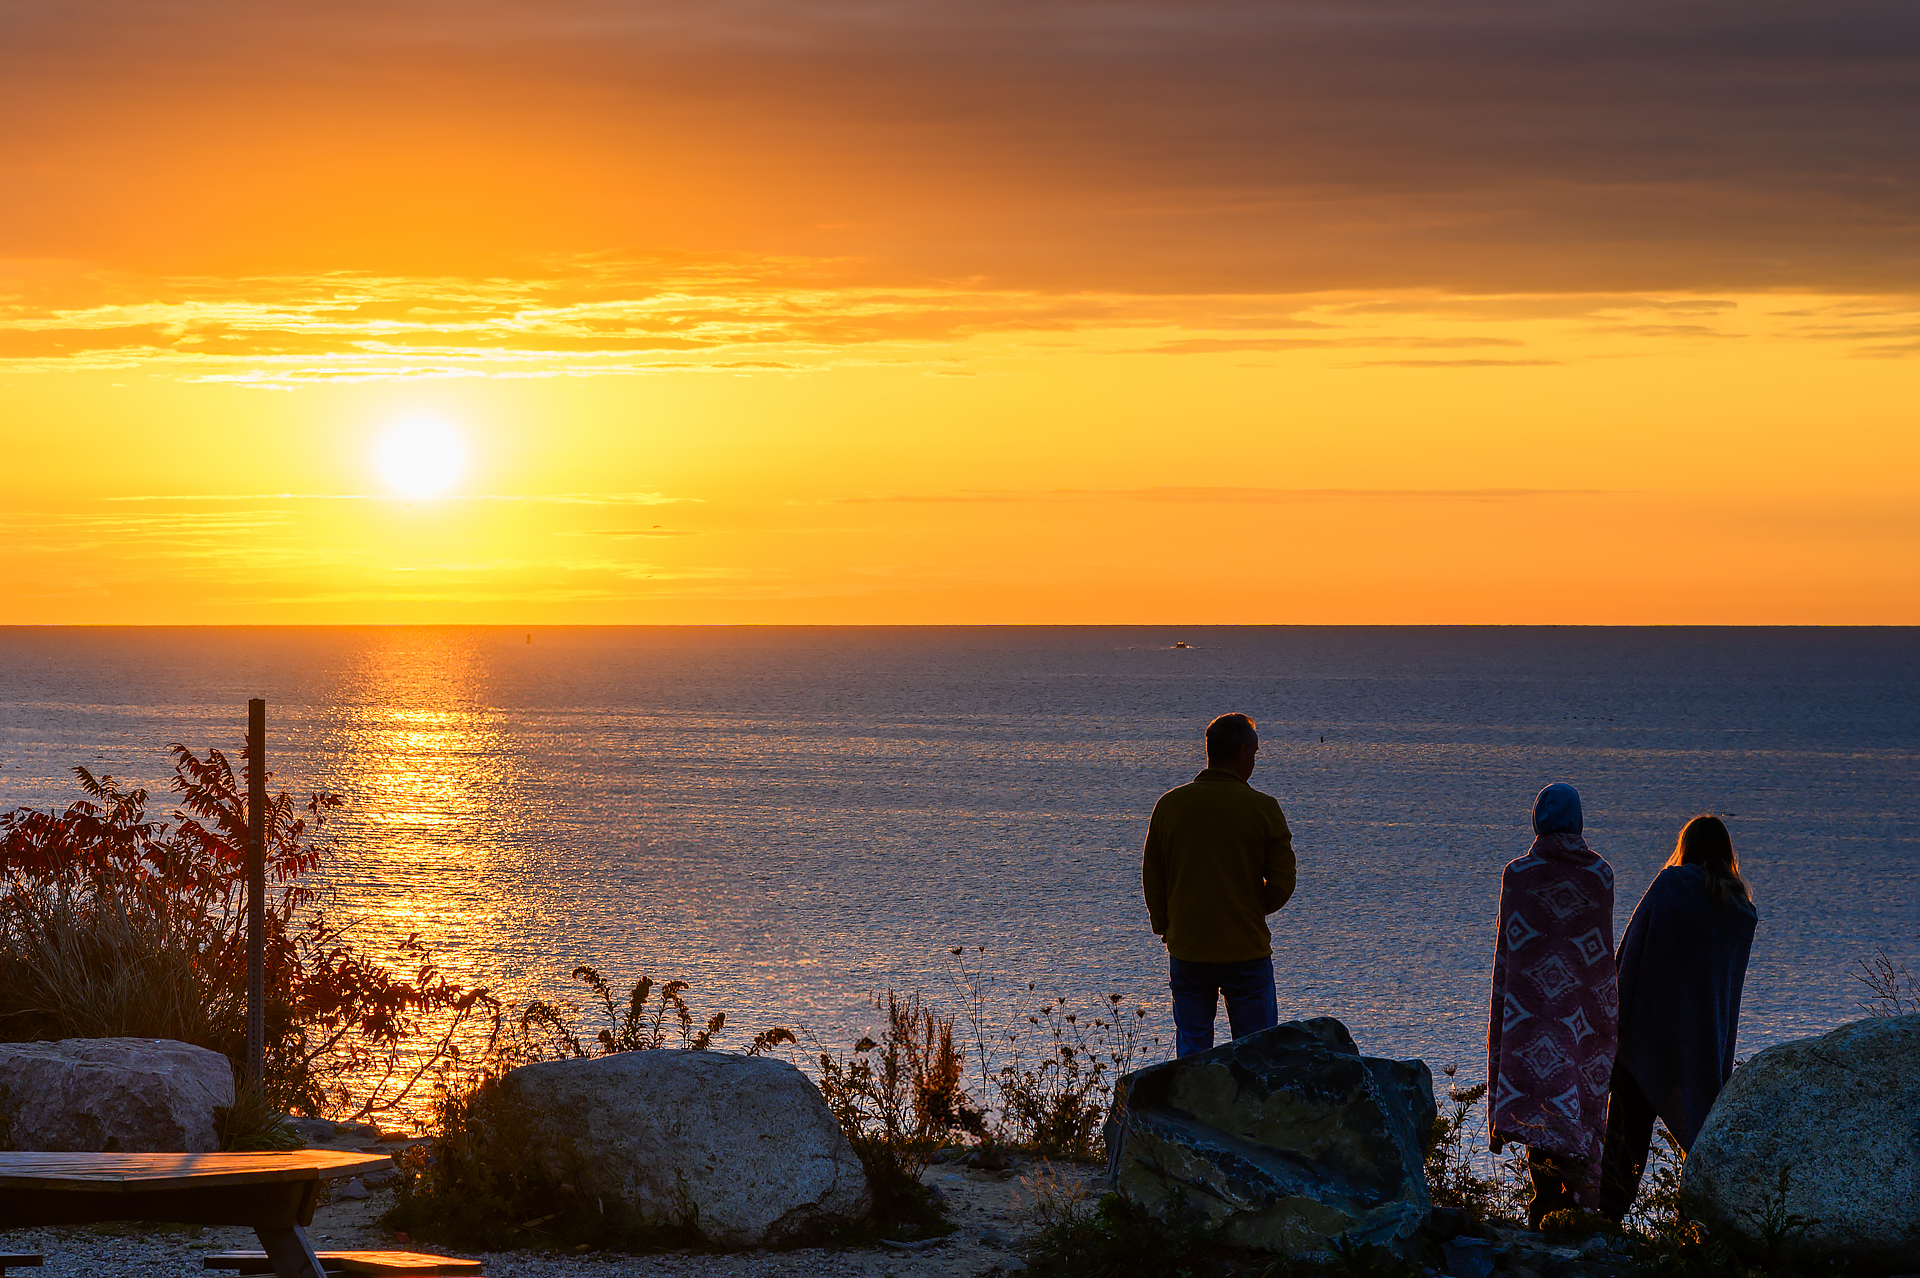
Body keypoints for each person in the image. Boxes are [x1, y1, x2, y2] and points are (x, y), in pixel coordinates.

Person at [1599, 815, 1758, 1222]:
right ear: (1726, 854)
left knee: (1627, 1138)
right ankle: (1697, 1227)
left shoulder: (1670, 886)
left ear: (1685, 847)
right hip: (1700, 1043)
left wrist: (1612, 1019)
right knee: (1702, 1144)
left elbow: (1630, 954)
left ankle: (1606, 1222)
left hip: (1645, 1036)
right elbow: (1724, 995)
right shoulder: (1740, 913)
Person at [1488, 782, 1619, 1228]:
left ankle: (1543, 1199)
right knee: (1576, 1102)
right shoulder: (1600, 876)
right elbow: (1599, 958)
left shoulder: (1518, 875)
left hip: (1527, 1013)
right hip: (1580, 1017)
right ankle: (1575, 1209)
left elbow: (1510, 951)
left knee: (1535, 1098)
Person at [1141, 712, 1297, 1058]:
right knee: (1257, 1051)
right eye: (1255, 753)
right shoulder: (1263, 808)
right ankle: (1253, 1110)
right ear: (1243, 752)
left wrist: (1164, 923)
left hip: (1189, 948)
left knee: (1193, 1052)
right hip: (1246, 949)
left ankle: (1193, 1110)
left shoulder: (1170, 806)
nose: (1254, 760)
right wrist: (1251, 908)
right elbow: (1284, 881)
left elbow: (1153, 874)